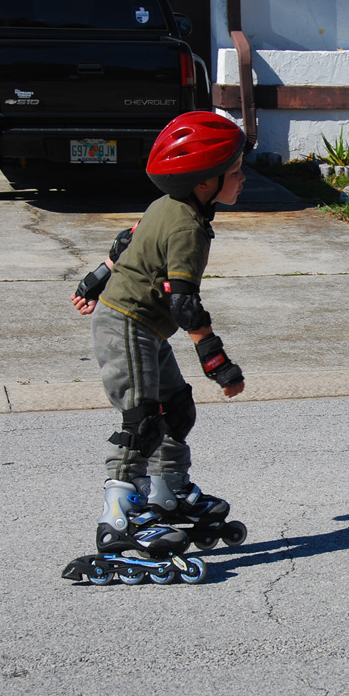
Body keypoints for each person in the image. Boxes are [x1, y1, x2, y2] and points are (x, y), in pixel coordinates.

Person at [67, 111, 249, 573]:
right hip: (127, 324)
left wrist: (93, 281)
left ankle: (168, 496)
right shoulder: (187, 227)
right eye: (235, 171)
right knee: (144, 421)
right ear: (205, 183)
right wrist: (217, 362)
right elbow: (184, 303)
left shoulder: (167, 206)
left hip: (140, 325)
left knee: (175, 408)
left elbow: (126, 244)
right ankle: (120, 514)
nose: (243, 178)